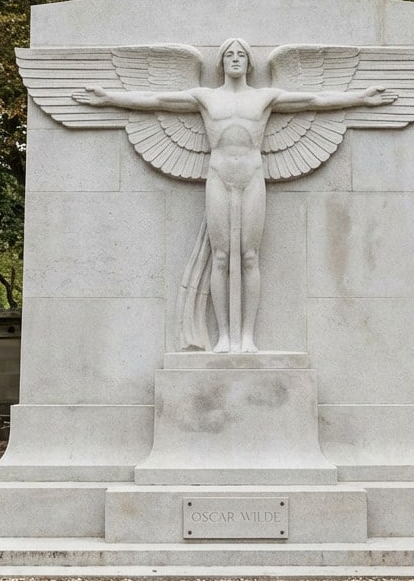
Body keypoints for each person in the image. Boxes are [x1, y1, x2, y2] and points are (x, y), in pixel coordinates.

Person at [72, 38, 395, 353]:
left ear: (250, 62)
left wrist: (362, 98)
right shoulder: (205, 98)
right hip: (219, 176)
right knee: (222, 256)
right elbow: (156, 100)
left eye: (241, 54)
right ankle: (225, 336)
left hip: (253, 177)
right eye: (230, 54)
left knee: (250, 256)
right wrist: (109, 98)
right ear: (222, 62)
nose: (236, 58)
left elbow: (314, 100)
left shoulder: (266, 98)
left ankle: (248, 337)